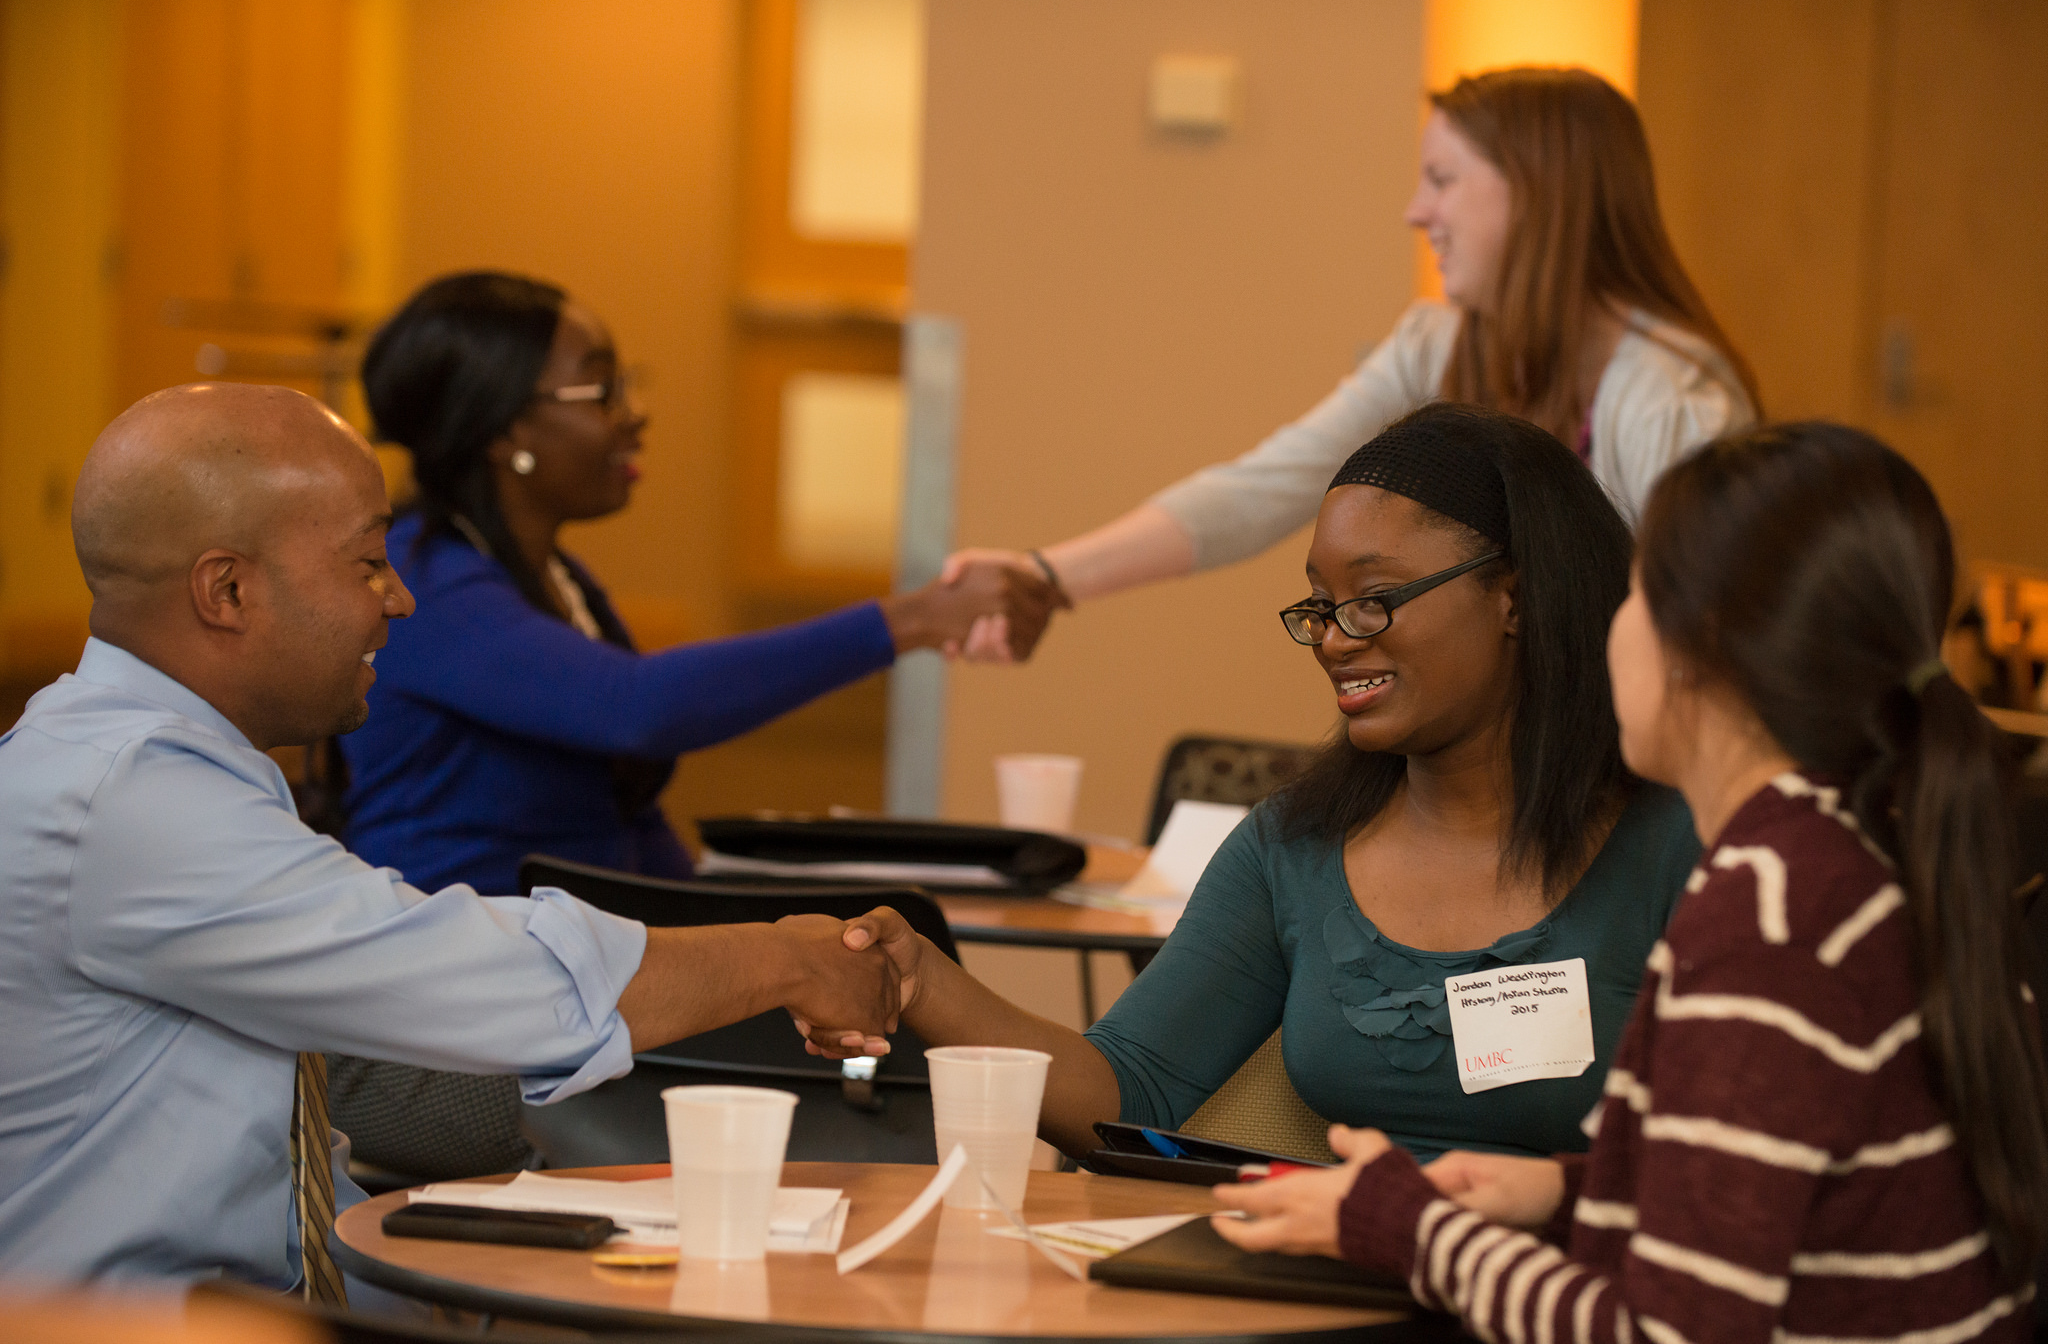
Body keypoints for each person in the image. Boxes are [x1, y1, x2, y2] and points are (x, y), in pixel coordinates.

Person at [0, 382, 902, 1295]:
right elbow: (473, 974)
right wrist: (786, 957)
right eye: (365, 563)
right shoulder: (127, 801)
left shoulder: (153, 766)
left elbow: (284, 1180)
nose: (399, 599)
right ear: (227, 589)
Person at [1213, 423, 2048, 1342]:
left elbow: (1666, 1334)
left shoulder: (1766, 916)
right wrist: (1568, 1192)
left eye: (1639, 595)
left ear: (1702, 645)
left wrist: (1407, 1228)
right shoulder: (1841, 860)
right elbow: (1784, 1210)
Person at [808, 404, 1702, 1163]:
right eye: (1320, 604)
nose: (1336, 639)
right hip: (1336, 1305)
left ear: (1517, 596)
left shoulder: (1681, 845)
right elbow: (1132, 1091)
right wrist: (919, 979)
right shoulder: (1296, 845)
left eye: (1374, 597)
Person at [943, 66, 1758, 659]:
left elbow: (1696, 652)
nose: (1416, 212)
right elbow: (1263, 487)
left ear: (1541, 195)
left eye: (1442, 180)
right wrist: (1044, 574)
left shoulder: (1671, 401)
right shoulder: (1437, 345)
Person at [337, 271, 1064, 896]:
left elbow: (625, 816)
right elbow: (641, 706)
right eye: (603, 389)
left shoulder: (558, 581)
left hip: (569, 986)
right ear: (505, 432)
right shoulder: (422, 583)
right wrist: (909, 620)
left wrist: (739, 959)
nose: (635, 414)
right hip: (456, 1018)